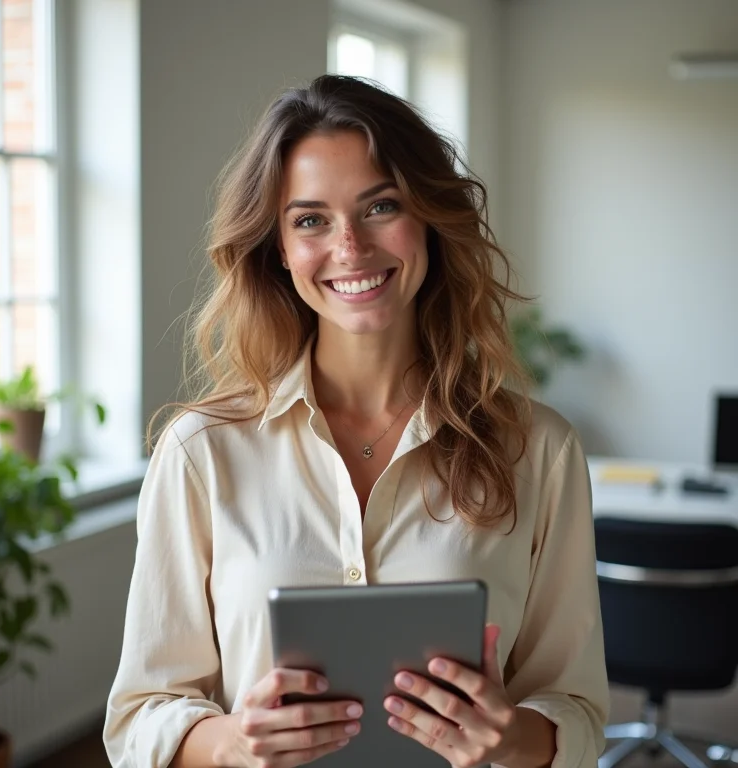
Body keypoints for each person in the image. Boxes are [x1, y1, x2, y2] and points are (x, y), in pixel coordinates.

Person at [103, 74, 608, 768]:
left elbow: (577, 709)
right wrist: (233, 744)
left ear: (428, 219)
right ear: (279, 247)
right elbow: (139, 721)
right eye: (310, 220)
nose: (350, 246)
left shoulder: (539, 450)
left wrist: (510, 736)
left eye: (381, 206)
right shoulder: (202, 452)